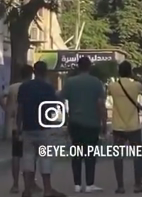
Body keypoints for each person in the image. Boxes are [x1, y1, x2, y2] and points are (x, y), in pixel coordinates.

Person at [17, 61, 66, 197]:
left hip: (27, 127)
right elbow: (53, 108)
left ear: (34, 71)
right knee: (45, 158)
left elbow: (20, 108)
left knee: (28, 158)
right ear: (45, 71)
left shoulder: (24, 87)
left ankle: (27, 190)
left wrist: (18, 126)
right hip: (44, 128)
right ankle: (47, 190)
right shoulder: (48, 87)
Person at [60, 57, 106, 193]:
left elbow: (62, 99)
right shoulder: (96, 82)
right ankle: (90, 184)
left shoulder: (70, 82)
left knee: (76, 153)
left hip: (75, 122)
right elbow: (100, 105)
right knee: (91, 154)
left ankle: (77, 184)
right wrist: (104, 123)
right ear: (89, 67)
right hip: (92, 123)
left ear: (78, 66)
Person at [1, 65, 42, 194]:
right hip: (30, 124)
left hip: (14, 125)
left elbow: (2, 96)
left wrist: (7, 109)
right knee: (31, 156)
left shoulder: (13, 87)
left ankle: (15, 184)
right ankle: (31, 184)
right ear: (32, 74)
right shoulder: (33, 87)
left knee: (16, 155)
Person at [107, 61, 142, 193]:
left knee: (118, 157)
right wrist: (134, 77)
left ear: (119, 72)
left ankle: (120, 186)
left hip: (118, 126)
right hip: (133, 126)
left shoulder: (112, 86)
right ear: (130, 71)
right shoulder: (136, 85)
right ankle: (137, 185)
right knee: (137, 156)